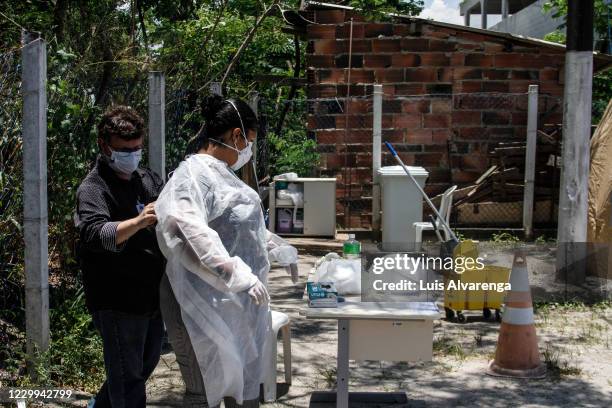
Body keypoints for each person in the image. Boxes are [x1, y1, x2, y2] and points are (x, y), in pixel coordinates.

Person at [155, 95, 274, 408]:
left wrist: (274, 246)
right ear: (235, 135)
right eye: (248, 141)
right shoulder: (193, 175)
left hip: (226, 300)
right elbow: (186, 229)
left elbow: (234, 227)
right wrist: (235, 272)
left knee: (237, 384)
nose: (248, 150)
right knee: (204, 391)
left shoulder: (219, 174)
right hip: (197, 300)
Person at [74, 105, 165, 408]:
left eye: (138, 148)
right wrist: (139, 222)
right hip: (117, 300)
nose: (133, 155)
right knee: (128, 382)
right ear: (105, 146)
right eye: (125, 149)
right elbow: (97, 234)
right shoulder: (94, 188)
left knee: (140, 368)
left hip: (150, 298)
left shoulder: (146, 179)